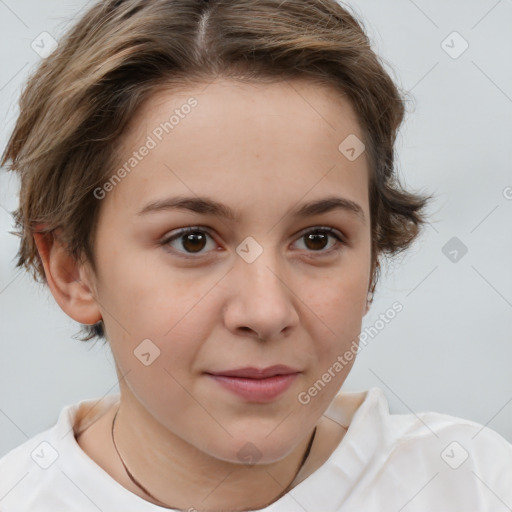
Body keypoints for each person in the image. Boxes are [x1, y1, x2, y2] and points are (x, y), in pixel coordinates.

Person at [0, 0, 511, 510]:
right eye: (192, 240)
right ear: (72, 270)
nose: (267, 312)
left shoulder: (472, 485)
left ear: (374, 255)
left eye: (318, 239)